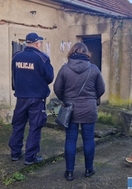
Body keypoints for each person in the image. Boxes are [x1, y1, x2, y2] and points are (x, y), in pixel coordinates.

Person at [53, 42, 105, 181]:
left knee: (70, 139)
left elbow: (57, 89)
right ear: (86, 53)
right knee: (88, 139)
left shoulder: (65, 69)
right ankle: (89, 169)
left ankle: (69, 172)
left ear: (72, 52)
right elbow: (101, 89)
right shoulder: (94, 69)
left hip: (70, 110)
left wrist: (66, 100)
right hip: (89, 109)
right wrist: (92, 98)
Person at [8, 32, 54, 165]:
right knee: (35, 126)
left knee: (18, 124)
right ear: (37, 43)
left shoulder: (16, 57)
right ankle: (30, 157)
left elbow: (14, 75)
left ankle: (15, 153)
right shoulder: (42, 57)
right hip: (37, 98)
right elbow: (49, 77)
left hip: (21, 96)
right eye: (40, 43)